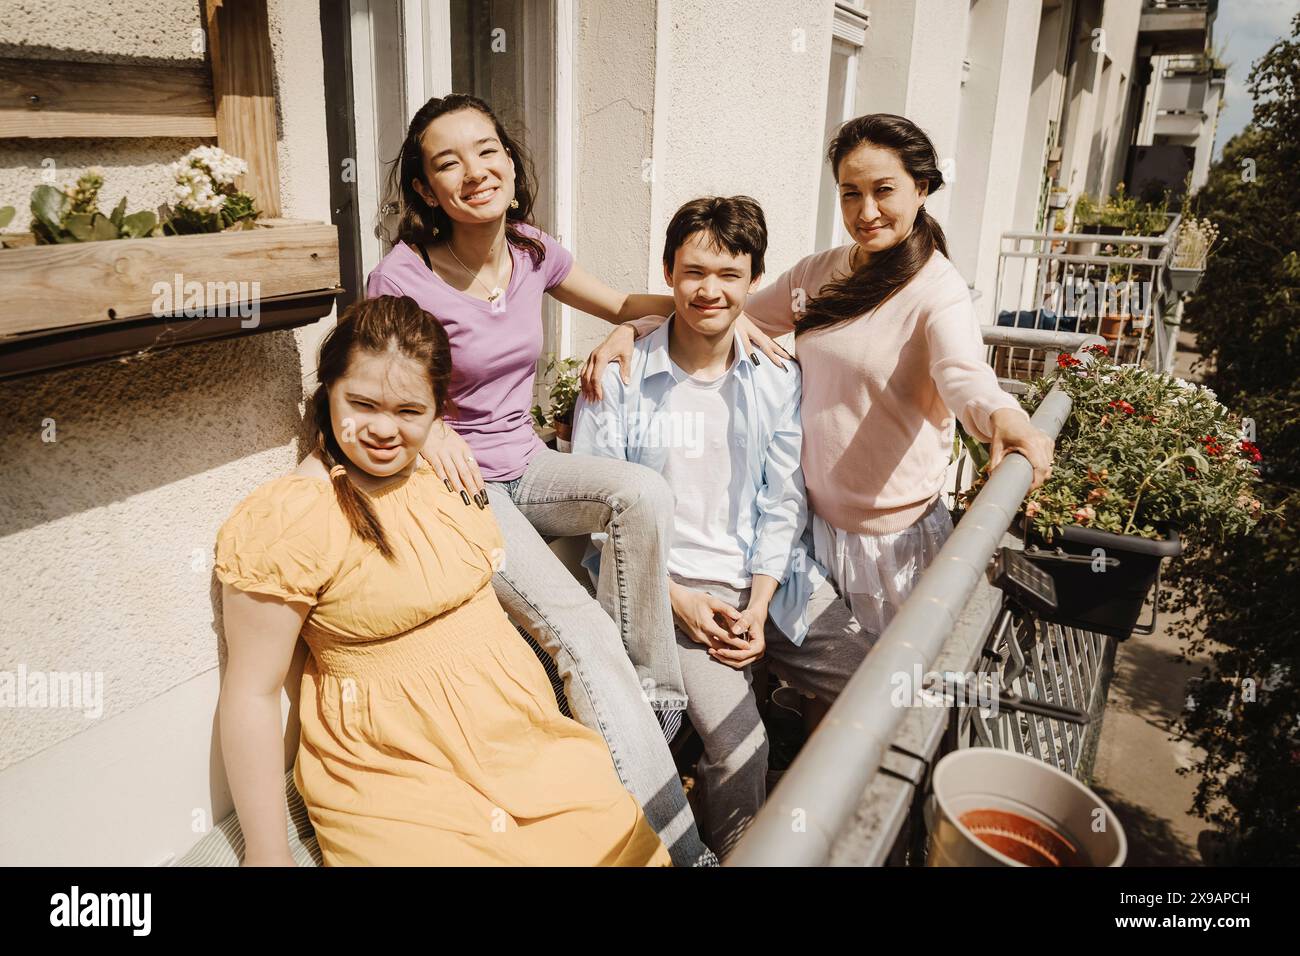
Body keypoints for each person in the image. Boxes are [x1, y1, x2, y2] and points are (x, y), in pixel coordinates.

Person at [363, 93, 800, 864]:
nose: (474, 172)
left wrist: (720, 313)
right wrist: (428, 426)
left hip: (528, 461)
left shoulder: (530, 250)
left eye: (487, 150)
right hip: (465, 489)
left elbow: (628, 301)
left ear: (509, 159)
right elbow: (368, 385)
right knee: (580, 638)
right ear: (426, 189)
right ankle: (680, 850)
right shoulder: (403, 277)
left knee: (642, 491)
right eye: (447, 162)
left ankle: (655, 698)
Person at [215, 295, 670, 866]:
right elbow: (251, 692)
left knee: (622, 848)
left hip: (522, 740)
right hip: (395, 769)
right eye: (362, 404)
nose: (383, 430)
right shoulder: (292, 519)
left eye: (409, 411)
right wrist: (266, 850)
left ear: (439, 411)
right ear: (327, 390)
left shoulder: (445, 472)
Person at [583, 113, 1054, 658]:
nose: (866, 211)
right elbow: (718, 307)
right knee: (819, 704)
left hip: (889, 543)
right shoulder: (816, 273)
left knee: (886, 691)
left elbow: (964, 374)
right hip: (809, 532)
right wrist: (629, 328)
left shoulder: (937, 290)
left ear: (921, 188)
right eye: (850, 194)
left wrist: (1004, 417)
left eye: (884, 191)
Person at [574, 196, 867, 857]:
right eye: (693, 272)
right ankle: (736, 853)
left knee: (874, 686)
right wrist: (675, 600)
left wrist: (762, 600)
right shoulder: (618, 377)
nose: (710, 290)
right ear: (669, 273)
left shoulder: (775, 376)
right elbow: (597, 513)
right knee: (741, 744)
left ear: (755, 279)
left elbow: (783, 500)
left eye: (729, 274)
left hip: (772, 581)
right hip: (668, 587)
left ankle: (812, 830)